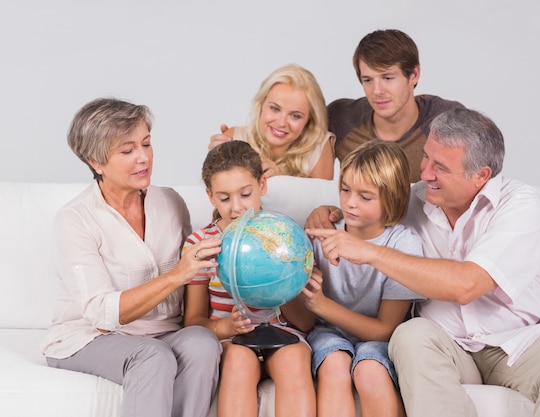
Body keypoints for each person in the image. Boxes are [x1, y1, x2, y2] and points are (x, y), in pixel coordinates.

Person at [305, 108, 540, 417]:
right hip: (444, 346)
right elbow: (372, 206)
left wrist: (371, 253)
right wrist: (327, 211)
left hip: (515, 344)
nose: (425, 173)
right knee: (410, 335)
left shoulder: (521, 207)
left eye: (440, 167)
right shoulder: (416, 200)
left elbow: (467, 285)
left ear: (481, 175)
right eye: (426, 158)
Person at [40, 97, 222, 417]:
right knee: (152, 356)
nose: (143, 158)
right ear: (95, 161)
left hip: (163, 332)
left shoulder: (170, 202)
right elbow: (100, 313)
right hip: (88, 339)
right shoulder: (75, 220)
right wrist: (177, 274)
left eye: (146, 144)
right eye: (127, 150)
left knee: (202, 343)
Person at [183, 140, 316, 417]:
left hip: (285, 331)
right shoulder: (201, 245)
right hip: (232, 340)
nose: (236, 208)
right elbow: (193, 322)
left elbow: (304, 322)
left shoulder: (284, 236)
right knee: (238, 361)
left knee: (294, 359)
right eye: (224, 198)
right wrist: (226, 327)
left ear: (262, 185)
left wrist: (280, 283)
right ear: (209, 196)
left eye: (245, 194)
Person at [302, 141, 425, 417]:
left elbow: (384, 329)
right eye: (345, 189)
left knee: (370, 371)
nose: (350, 203)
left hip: (380, 339)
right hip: (328, 334)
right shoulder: (321, 233)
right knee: (333, 363)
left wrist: (321, 305)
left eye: (365, 197)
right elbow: (304, 320)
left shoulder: (403, 246)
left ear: (391, 199)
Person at [329, 28, 465, 183]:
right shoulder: (340, 117)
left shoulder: (447, 118)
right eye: (368, 80)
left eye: (387, 78)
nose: (377, 91)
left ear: (414, 75)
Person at [208, 63, 335, 180]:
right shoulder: (233, 138)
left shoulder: (318, 146)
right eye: (275, 109)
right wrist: (211, 162)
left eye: (295, 116)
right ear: (262, 103)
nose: (281, 123)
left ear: (309, 119)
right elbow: (217, 196)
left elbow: (323, 202)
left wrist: (280, 178)